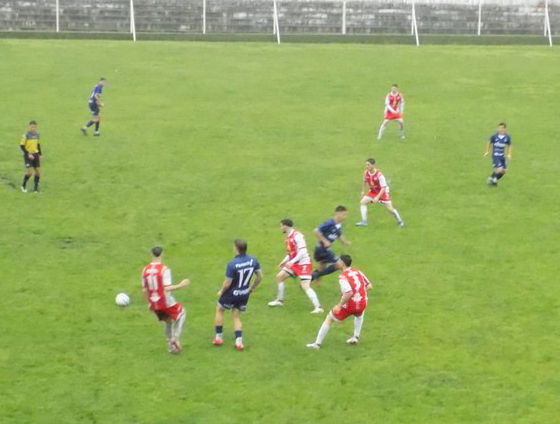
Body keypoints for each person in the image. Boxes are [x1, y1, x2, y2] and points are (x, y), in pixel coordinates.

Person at [307, 254, 372, 349]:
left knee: (329, 318)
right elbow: (369, 286)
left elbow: (348, 293)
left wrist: (339, 305)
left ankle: (317, 344)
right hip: (362, 302)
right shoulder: (357, 271)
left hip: (350, 304)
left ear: (342, 263)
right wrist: (358, 293)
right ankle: (355, 337)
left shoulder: (343, 277)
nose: (336, 263)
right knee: (359, 314)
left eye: (338, 261)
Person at [213, 239, 262, 350]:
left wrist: (221, 291)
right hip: (244, 293)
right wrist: (252, 288)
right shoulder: (253, 260)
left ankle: (218, 337)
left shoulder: (232, 264)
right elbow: (259, 277)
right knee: (236, 316)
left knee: (220, 309)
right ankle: (239, 342)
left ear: (236, 248)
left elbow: (227, 283)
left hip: (231, 293)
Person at [142, 246, 191, 354]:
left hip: (154, 303)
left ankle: (171, 347)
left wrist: (149, 303)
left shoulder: (145, 270)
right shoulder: (164, 269)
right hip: (165, 301)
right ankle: (175, 338)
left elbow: (145, 290)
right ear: (162, 254)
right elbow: (167, 287)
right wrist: (181, 285)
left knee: (168, 321)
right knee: (182, 313)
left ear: (151, 254)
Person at [268, 219, 323, 314]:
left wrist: (292, 261)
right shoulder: (288, 238)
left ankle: (318, 307)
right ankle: (279, 301)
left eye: (282, 226)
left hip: (303, 263)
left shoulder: (298, 236)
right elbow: (291, 253)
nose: (281, 227)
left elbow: (303, 252)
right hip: (295, 263)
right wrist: (284, 261)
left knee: (305, 285)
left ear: (285, 226)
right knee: (280, 277)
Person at [356, 158, 404, 227]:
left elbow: (383, 188)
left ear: (373, 165)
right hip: (373, 192)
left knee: (390, 209)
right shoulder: (366, 173)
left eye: (368, 165)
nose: (367, 166)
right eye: (366, 165)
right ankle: (364, 221)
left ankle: (400, 221)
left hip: (382, 193)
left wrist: (377, 197)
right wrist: (363, 191)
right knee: (362, 202)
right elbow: (364, 182)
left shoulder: (379, 175)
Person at [310, 206, 352, 282]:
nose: (345, 217)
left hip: (321, 249)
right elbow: (316, 231)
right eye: (344, 214)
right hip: (323, 249)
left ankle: (309, 282)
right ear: (338, 213)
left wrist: (345, 242)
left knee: (321, 268)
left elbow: (339, 235)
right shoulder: (330, 223)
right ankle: (314, 275)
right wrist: (325, 241)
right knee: (340, 264)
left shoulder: (339, 224)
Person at [20, 120, 42, 193]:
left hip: (35, 155)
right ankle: (23, 185)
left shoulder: (37, 135)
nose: (33, 128)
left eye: (35, 127)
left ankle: (35, 188)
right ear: (29, 126)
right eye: (32, 127)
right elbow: (22, 146)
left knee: (38, 172)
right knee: (30, 172)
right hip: (28, 155)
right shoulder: (26, 135)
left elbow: (38, 145)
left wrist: (40, 154)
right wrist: (28, 154)